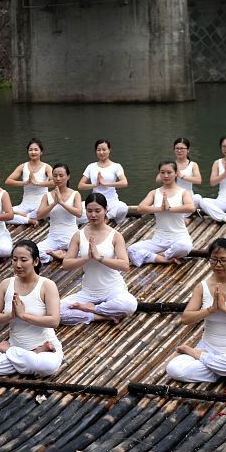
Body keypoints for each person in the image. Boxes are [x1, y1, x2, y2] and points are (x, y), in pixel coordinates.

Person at [164, 239, 226, 383]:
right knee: (174, 368)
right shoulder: (202, 287)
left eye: (223, 261)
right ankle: (224, 371)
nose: (218, 265)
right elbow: (186, 318)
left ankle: (204, 360)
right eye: (213, 260)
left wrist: (225, 309)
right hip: (208, 348)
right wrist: (210, 310)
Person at [0, 240, 63, 377]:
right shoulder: (6, 284)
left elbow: (54, 321)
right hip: (17, 345)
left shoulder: (47, 285)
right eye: (14, 260)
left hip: (45, 349)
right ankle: (20, 355)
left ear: (35, 261)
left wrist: (23, 315)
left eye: (23, 260)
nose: (18, 265)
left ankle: (10, 352)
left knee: (47, 365)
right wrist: (12, 315)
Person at [59, 194, 138, 325]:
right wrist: (87, 258)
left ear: (106, 210)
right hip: (88, 292)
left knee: (129, 304)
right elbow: (66, 265)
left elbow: (124, 265)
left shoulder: (115, 236)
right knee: (57, 311)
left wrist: (99, 258)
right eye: (89, 211)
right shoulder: (78, 235)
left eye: (97, 211)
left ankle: (94, 309)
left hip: (113, 289)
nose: (93, 215)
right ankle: (101, 316)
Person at [129, 160, 195, 265]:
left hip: (179, 238)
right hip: (159, 240)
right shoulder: (154, 193)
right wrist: (160, 209)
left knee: (185, 247)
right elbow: (141, 208)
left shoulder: (183, 192)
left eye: (169, 172)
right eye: (162, 172)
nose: (166, 175)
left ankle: (161, 255)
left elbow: (191, 208)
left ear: (176, 173)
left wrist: (169, 209)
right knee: (132, 249)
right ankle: (165, 259)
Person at [35, 163, 83, 261]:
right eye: (55, 175)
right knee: (35, 252)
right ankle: (59, 256)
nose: (58, 178)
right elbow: (39, 215)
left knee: (87, 251)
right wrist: (54, 203)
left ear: (68, 177)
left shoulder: (75, 194)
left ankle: (63, 255)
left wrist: (61, 203)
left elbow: (79, 213)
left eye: (61, 176)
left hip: (72, 236)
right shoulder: (47, 196)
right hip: (54, 238)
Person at [78, 139, 129, 223]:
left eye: (104, 150)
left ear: (109, 150)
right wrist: (95, 185)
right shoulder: (91, 166)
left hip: (111, 201)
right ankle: (100, 216)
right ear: (96, 151)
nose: (101, 152)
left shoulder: (116, 166)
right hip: (95, 201)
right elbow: (81, 185)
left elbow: (124, 183)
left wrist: (105, 183)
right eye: (99, 150)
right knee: (76, 208)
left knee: (123, 207)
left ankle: (105, 218)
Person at [4, 138, 52, 225]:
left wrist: (37, 183)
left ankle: (24, 216)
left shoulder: (47, 167)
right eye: (30, 150)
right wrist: (25, 182)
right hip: (25, 204)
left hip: (40, 204)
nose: (33, 152)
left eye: (36, 150)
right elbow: (8, 181)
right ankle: (30, 220)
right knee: (3, 214)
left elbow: (55, 182)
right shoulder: (23, 166)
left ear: (41, 152)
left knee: (48, 210)